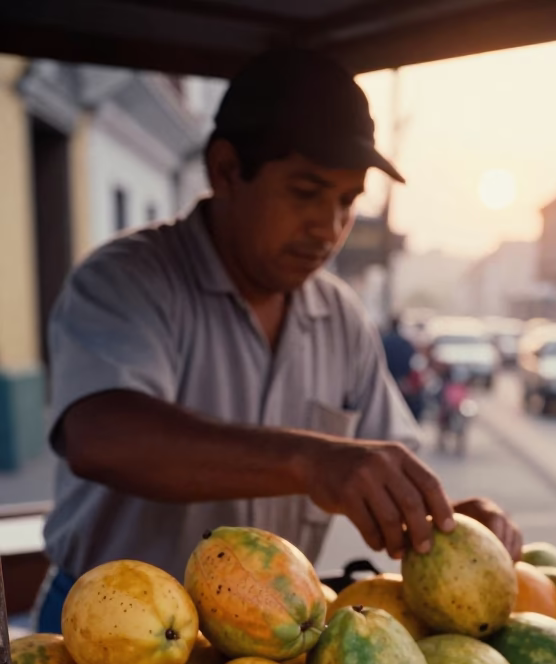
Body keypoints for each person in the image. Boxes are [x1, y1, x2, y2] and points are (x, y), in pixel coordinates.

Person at [33, 47, 521, 633]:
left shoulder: (342, 317)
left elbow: (380, 471)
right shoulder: (127, 280)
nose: (329, 226)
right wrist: (310, 459)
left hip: (261, 649)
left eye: (346, 200)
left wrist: (450, 521)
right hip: (101, 632)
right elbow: (101, 435)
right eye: (305, 192)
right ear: (226, 170)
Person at [381, 315, 425, 421]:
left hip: (386, 380)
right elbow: (413, 362)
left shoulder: (383, 341)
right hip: (402, 382)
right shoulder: (404, 343)